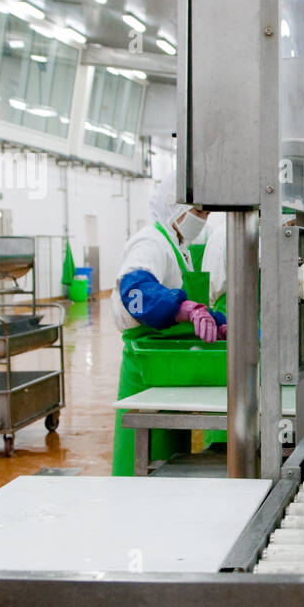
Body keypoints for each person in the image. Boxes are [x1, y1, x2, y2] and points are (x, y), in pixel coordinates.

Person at [110, 174, 227, 475]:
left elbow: (190, 308)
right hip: (147, 372)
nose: (204, 219)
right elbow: (134, 291)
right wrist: (183, 307)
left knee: (171, 466)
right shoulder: (151, 241)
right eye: (199, 212)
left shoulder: (180, 247)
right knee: (145, 463)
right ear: (174, 208)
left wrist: (219, 323)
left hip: (169, 371)